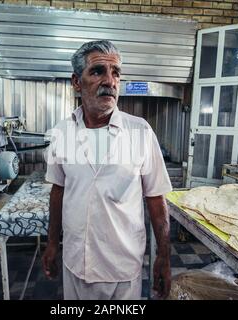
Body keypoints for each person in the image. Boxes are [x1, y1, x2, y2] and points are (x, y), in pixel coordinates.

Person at [42, 40, 172, 300]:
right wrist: (52, 244)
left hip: (122, 270)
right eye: (98, 71)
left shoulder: (140, 132)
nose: (110, 81)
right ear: (77, 81)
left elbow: (156, 200)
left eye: (116, 73)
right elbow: (58, 191)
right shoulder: (63, 132)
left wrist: (164, 257)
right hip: (75, 263)